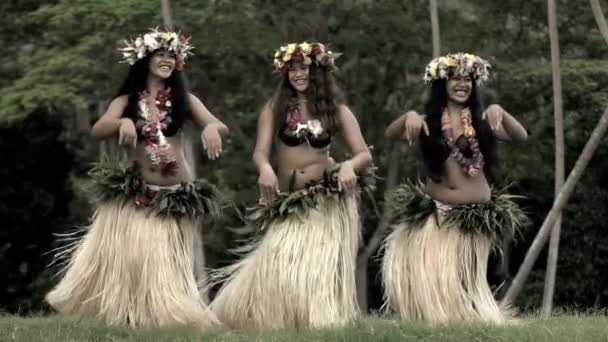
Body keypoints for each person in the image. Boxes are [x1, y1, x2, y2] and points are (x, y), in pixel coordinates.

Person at [46, 28, 229, 328]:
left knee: (166, 268)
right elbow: (98, 128)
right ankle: (136, 317)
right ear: (145, 60)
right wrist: (123, 121)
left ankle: (167, 316)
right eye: (160, 55)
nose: (167, 60)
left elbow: (218, 125)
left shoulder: (186, 99)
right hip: (139, 194)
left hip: (175, 196)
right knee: (138, 264)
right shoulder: (127, 100)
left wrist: (211, 129)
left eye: (172, 55)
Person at [210, 42, 373, 329]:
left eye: (304, 68)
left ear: (318, 70)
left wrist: (349, 165)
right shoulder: (275, 108)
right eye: (292, 69)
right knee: (279, 264)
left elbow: (364, 154)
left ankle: (318, 321)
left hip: (325, 202)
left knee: (316, 271)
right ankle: (270, 315)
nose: (298, 74)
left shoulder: (336, 110)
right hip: (290, 200)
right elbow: (260, 151)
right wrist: (265, 169)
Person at [382, 52, 528, 323]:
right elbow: (391, 134)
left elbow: (520, 136)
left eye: (468, 79)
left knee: (464, 281)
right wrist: (408, 117)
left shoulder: (482, 120)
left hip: (473, 218)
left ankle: (467, 317)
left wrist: (501, 112)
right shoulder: (427, 121)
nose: (462, 84)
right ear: (442, 84)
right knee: (438, 282)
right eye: (455, 78)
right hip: (438, 216)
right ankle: (436, 317)